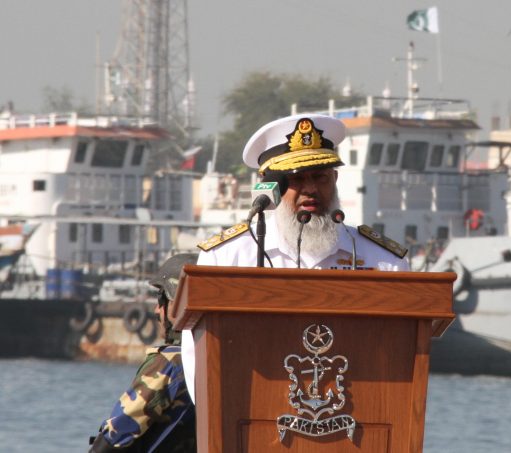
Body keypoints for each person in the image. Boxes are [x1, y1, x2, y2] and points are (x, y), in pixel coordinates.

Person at [182, 113, 410, 401]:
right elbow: (197, 358)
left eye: (320, 177)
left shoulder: (382, 261)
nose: (311, 189)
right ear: (271, 186)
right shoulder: (226, 257)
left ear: (335, 178)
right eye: (297, 179)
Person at [89, 253, 198, 453]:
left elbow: (116, 435)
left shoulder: (170, 362)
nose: (157, 310)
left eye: (161, 299)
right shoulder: (222, 360)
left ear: (179, 303)